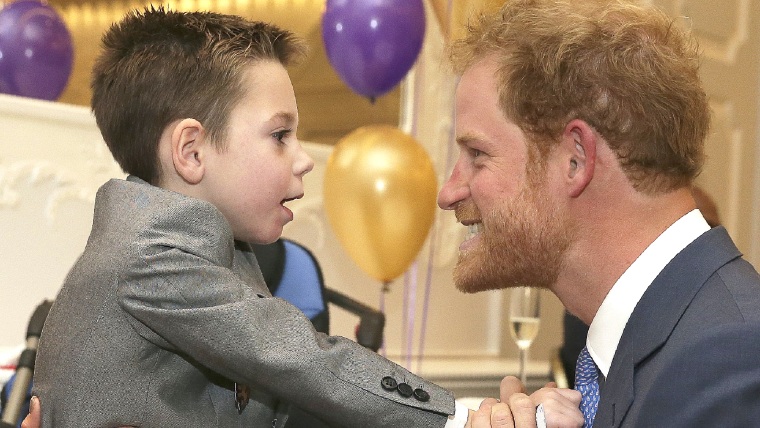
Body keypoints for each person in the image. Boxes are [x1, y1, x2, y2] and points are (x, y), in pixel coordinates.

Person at [29, 6, 491, 427]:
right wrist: (461, 417)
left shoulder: (209, 249)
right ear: (191, 152)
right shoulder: (149, 258)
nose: (303, 159)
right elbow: (303, 361)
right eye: (279, 135)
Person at [437, 0, 760, 426]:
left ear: (575, 160)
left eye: (478, 154)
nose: (449, 192)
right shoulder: (663, 343)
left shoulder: (729, 362)